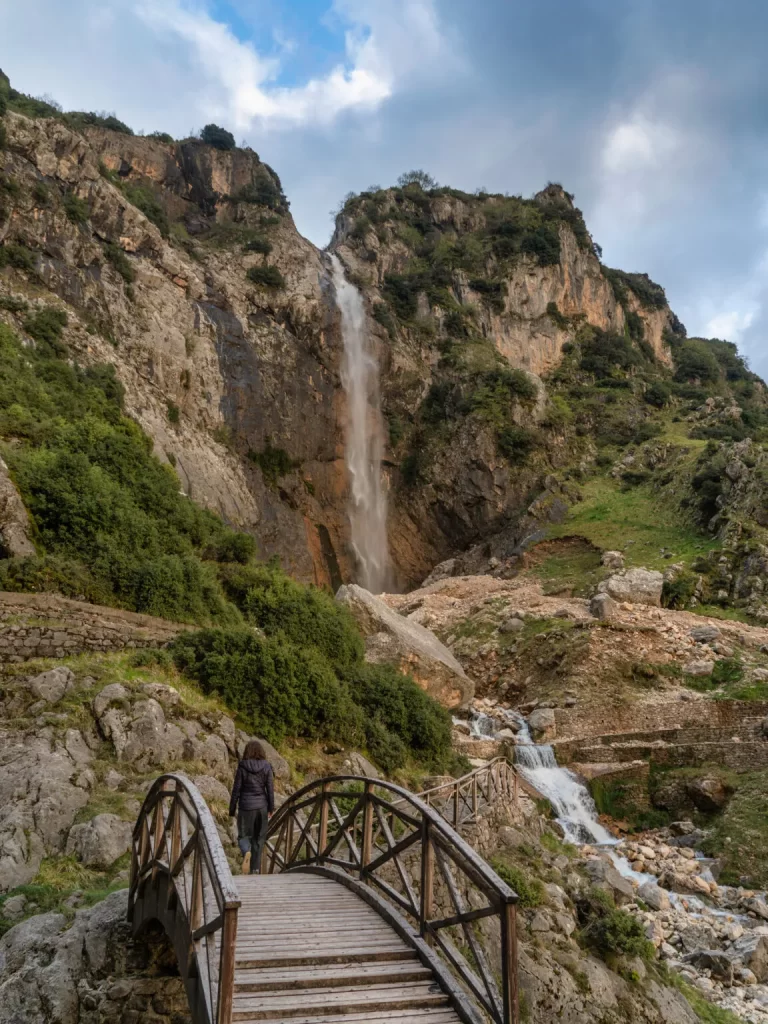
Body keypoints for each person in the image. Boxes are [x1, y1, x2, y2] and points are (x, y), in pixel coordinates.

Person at [229, 740, 275, 874]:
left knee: (243, 837)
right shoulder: (267, 766)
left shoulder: (242, 766)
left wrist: (232, 809)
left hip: (246, 807)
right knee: (259, 839)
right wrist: (271, 808)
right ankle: (255, 869)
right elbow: (270, 790)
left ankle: (246, 851)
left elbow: (236, 789)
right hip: (262, 807)